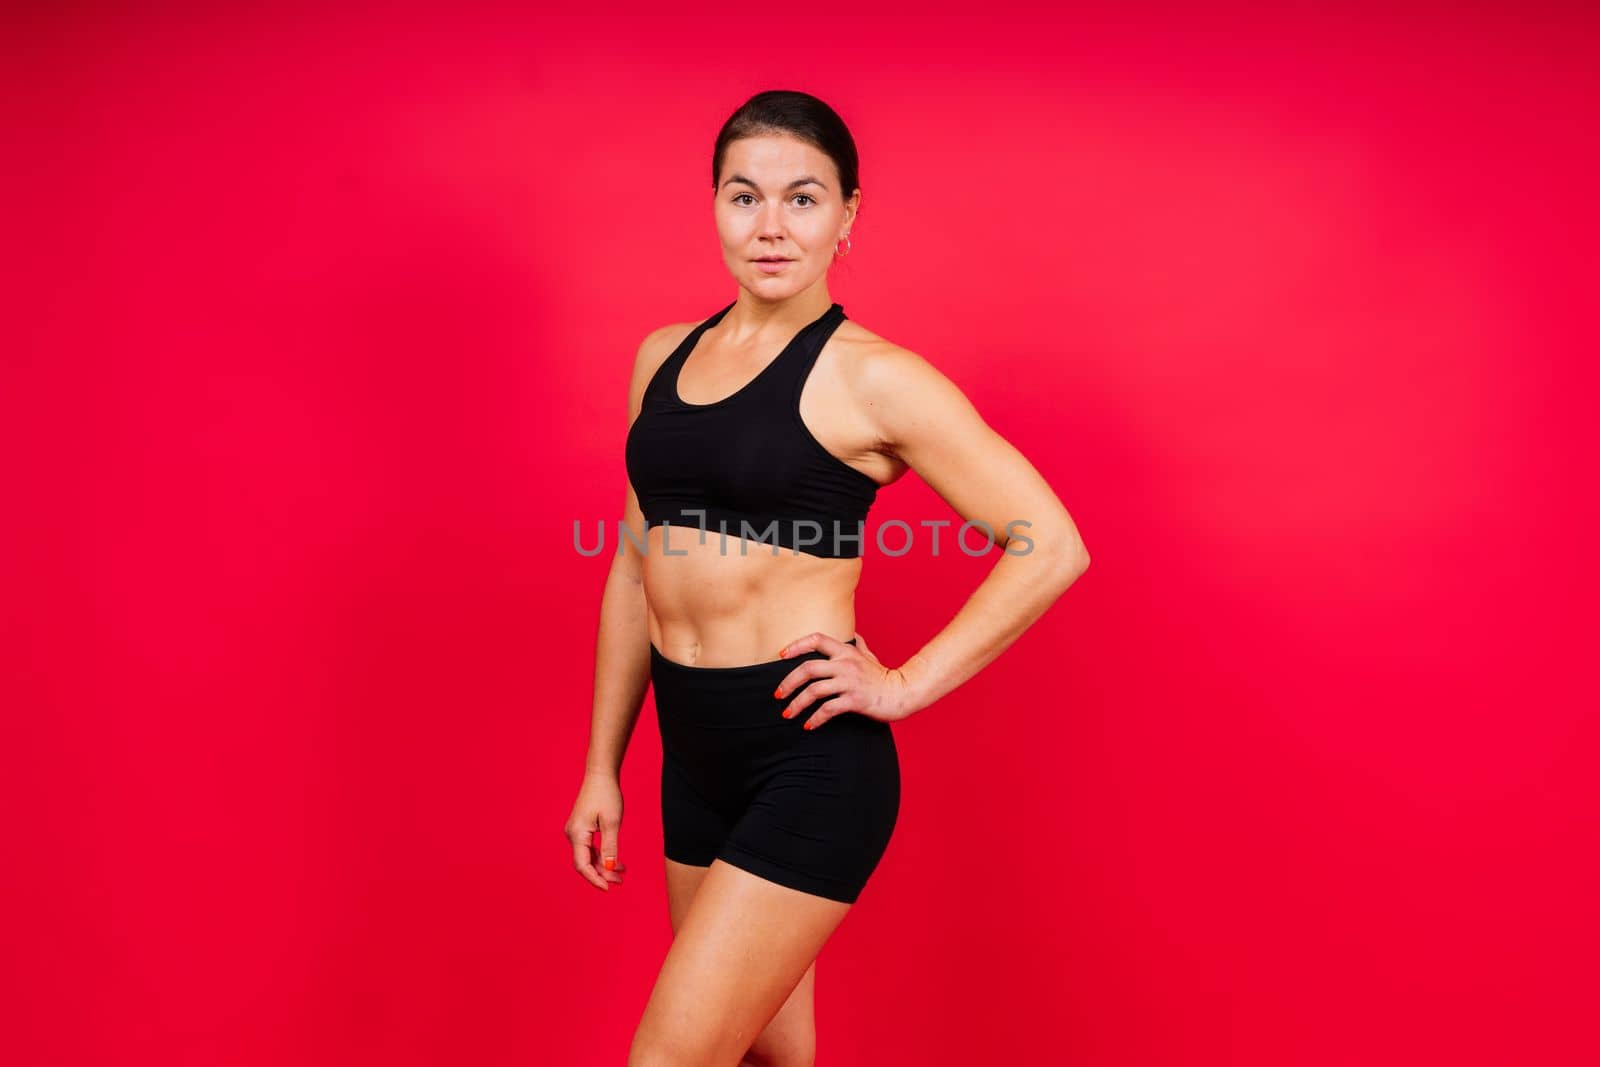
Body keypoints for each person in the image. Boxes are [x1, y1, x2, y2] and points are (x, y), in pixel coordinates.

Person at [565, 89, 1091, 1067]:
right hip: (692, 758)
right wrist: (604, 764)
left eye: (802, 198)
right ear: (713, 206)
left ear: (848, 214)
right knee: (770, 1057)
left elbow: (1050, 543)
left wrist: (903, 684)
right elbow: (636, 565)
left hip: (804, 760)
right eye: (743, 196)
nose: (770, 225)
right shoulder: (660, 360)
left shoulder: (872, 377)